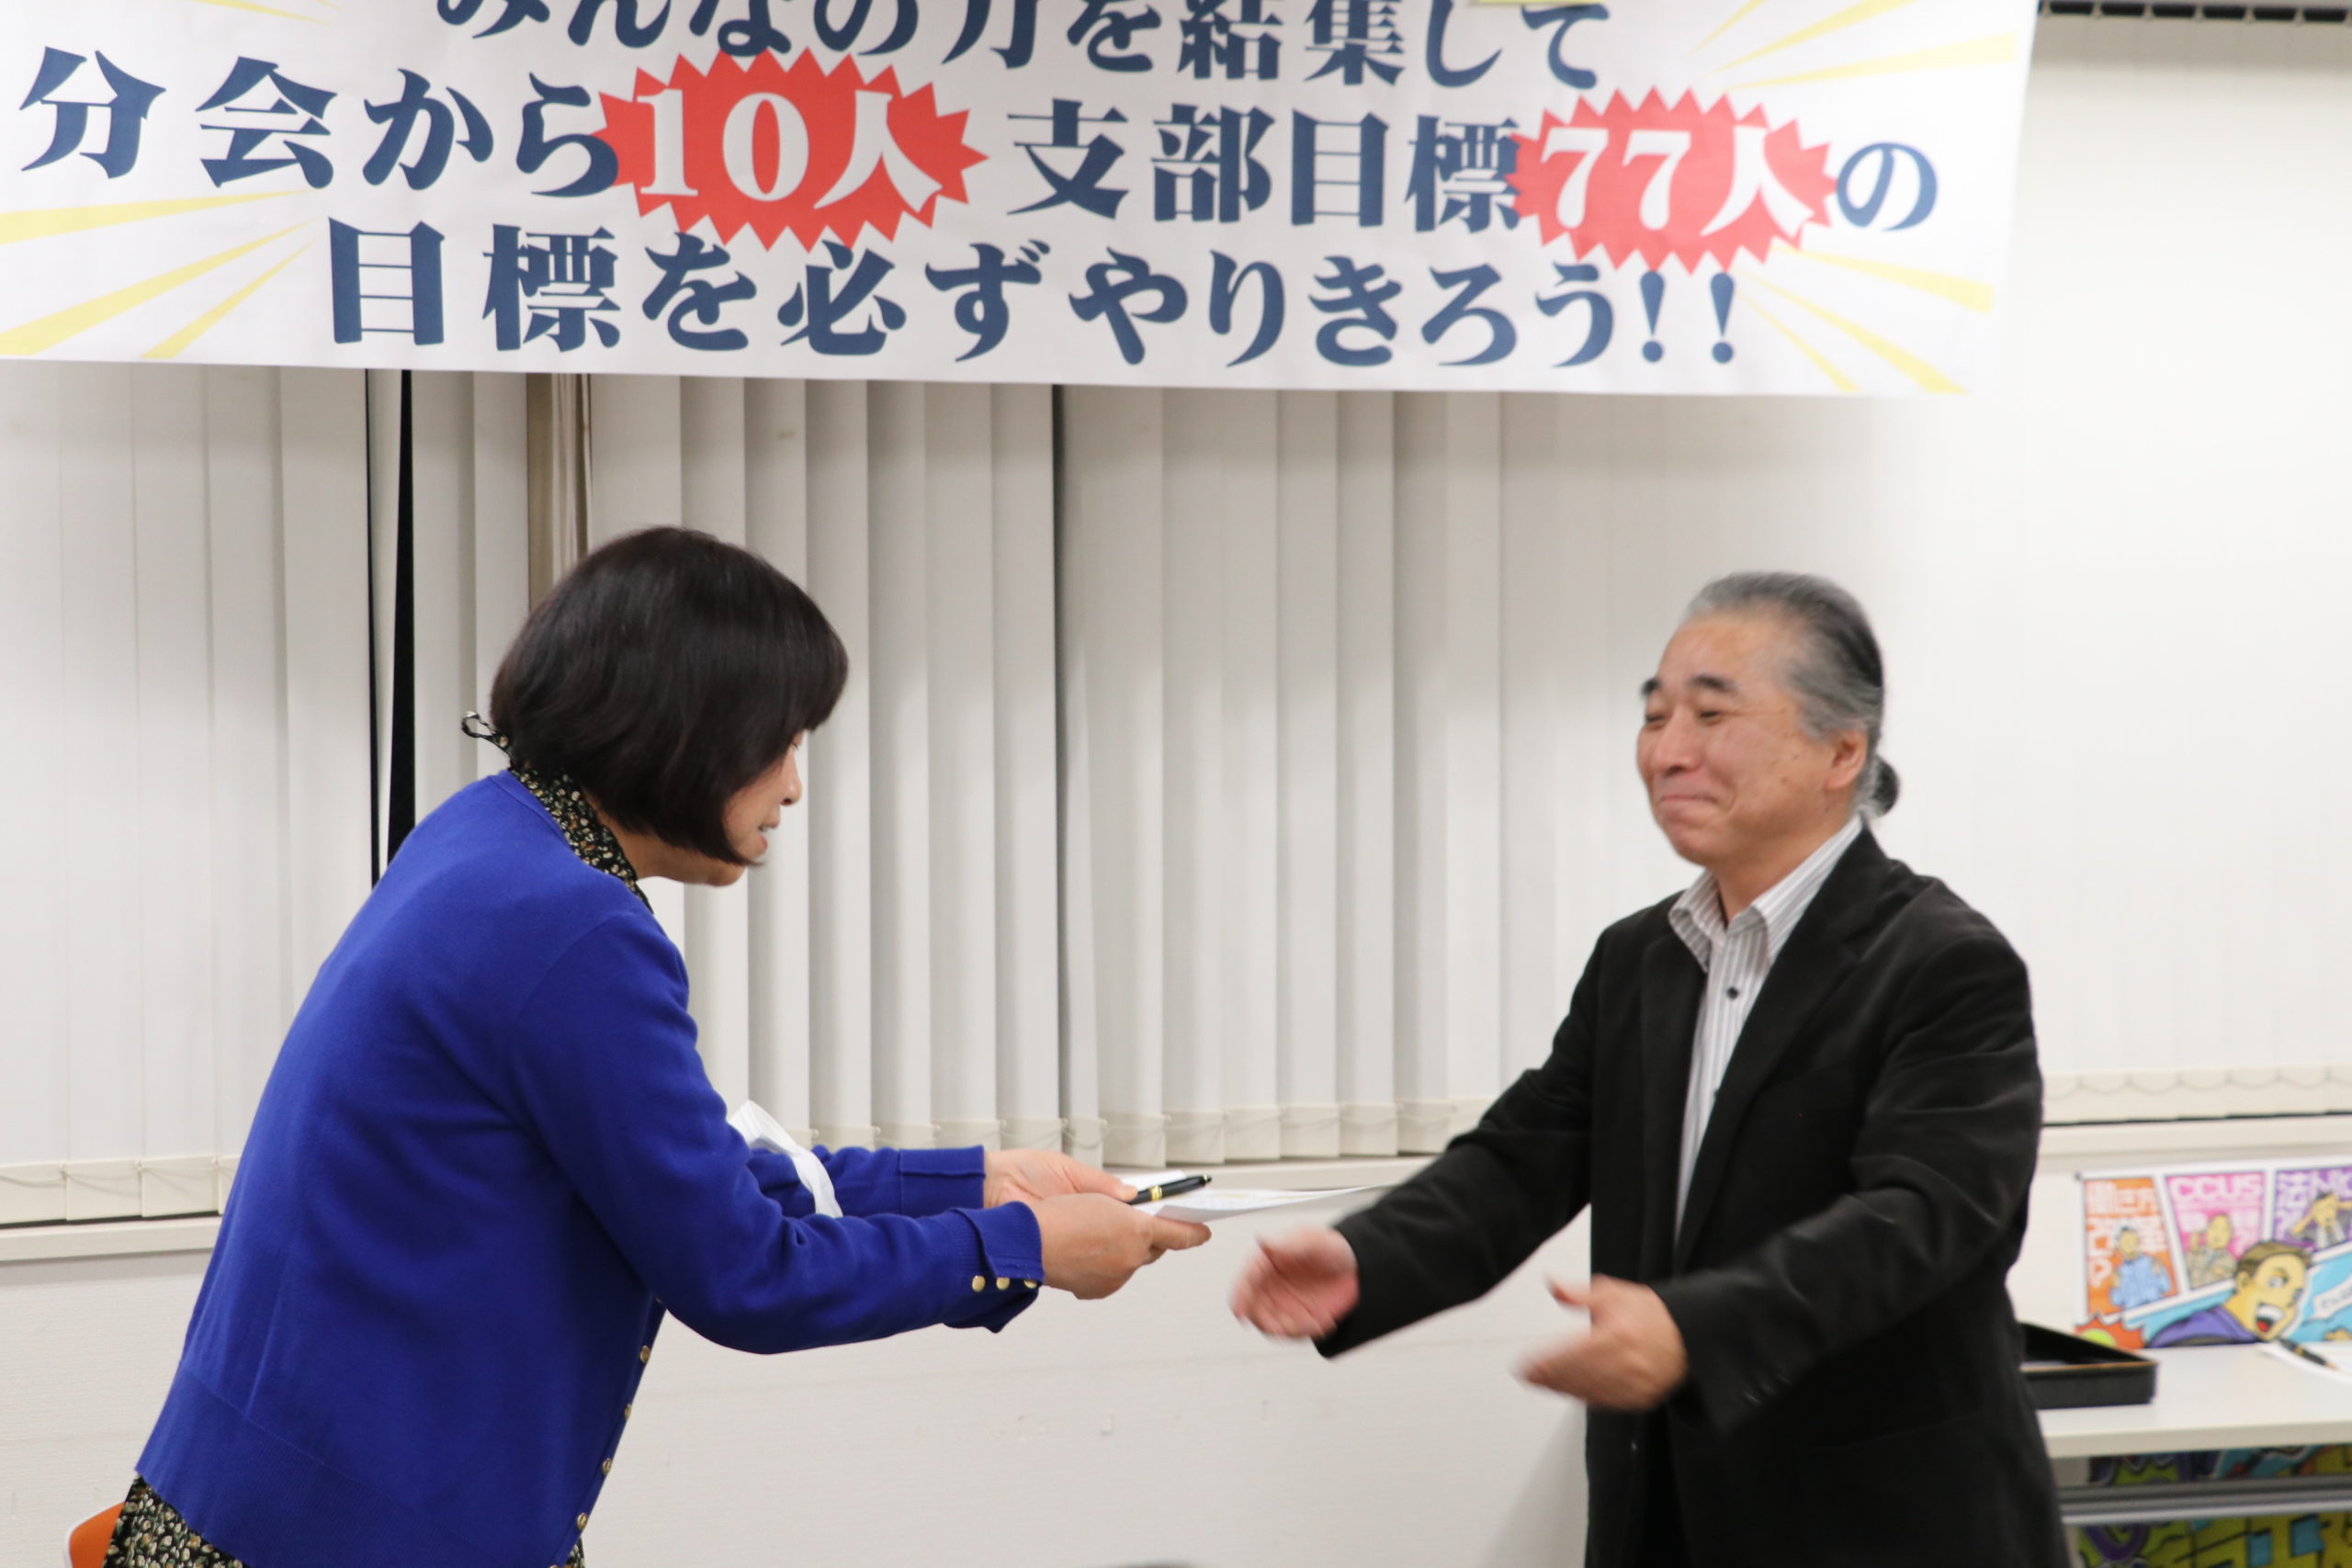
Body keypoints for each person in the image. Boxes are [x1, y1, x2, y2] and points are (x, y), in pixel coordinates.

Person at [110, 528, 1208, 1568]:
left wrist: (975, 1184)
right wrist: (1018, 1246)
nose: (793, 784)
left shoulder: (487, 840)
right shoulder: (569, 924)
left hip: (259, 1498)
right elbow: (743, 1275)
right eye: (782, 742)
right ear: (690, 731)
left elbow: (681, 1181)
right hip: (357, 1533)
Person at [1232, 572, 2064, 1568]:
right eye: (1656, 715)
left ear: (1842, 750)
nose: (1667, 751)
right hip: (1665, 1508)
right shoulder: (1641, 958)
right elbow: (1527, 1154)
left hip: (1878, 1520)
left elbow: (1925, 1219)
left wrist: (1693, 1329)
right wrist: (1367, 1258)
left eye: (1711, 715)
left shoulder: (1942, 961)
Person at [2149, 1242, 2310, 1346]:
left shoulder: (2250, 1339)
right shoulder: (2198, 1334)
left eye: (2295, 1295)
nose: (2286, 1300)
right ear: (2244, 1282)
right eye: (2275, 1283)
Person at [2109, 1224, 2176, 1309]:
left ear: (2138, 1242)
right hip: (2134, 1313)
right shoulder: (2119, 1273)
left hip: (2156, 1308)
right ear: (2119, 1248)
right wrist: (2116, 1286)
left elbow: (2166, 1287)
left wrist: (2159, 1274)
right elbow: (2117, 1301)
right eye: (2126, 1242)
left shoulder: (2152, 1262)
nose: (2130, 1245)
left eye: (2133, 1240)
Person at [2181, 1213, 2238, 1291]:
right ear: (2206, 1231)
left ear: (2230, 1236)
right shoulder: (2194, 1253)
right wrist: (2193, 1250)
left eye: (2224, 1230)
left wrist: (2223, 1275)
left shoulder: (2230, 1262)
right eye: (2214, 1227)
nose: (2218, 1233)